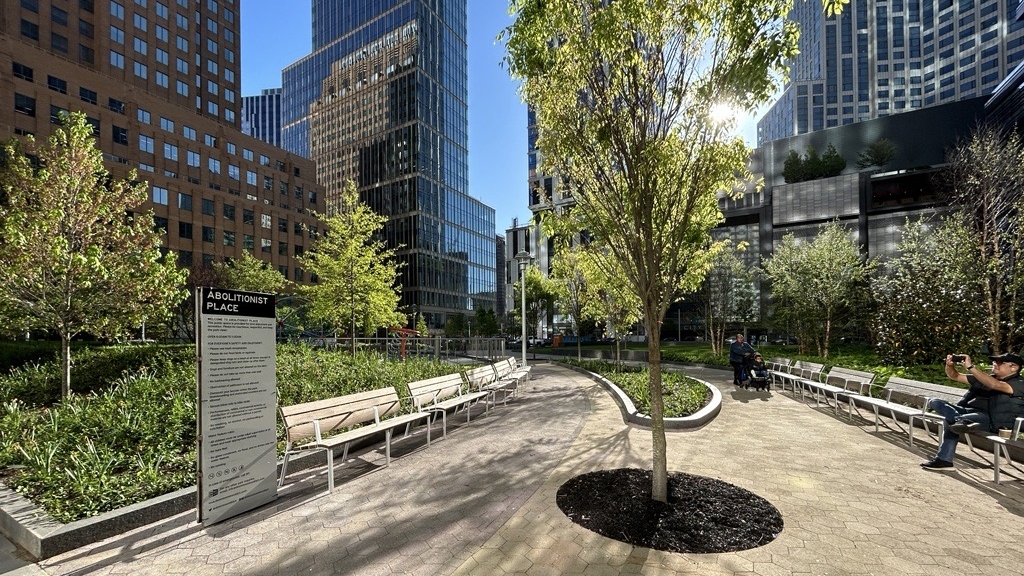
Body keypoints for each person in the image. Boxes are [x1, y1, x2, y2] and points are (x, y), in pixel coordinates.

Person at [920, 352, 1024, 470]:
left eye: (999, 362)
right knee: (934, 401)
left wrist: (970, 367)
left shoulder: (1019, 384)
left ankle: (944, 460)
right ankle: (960, 421)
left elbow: (996, 385)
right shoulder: (986, 379)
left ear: (1013, 367)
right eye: (994, 361)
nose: (994, 364)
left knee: (949, 422)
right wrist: (949, 366)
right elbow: (955, 376)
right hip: (967, 411)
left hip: (990, 419)